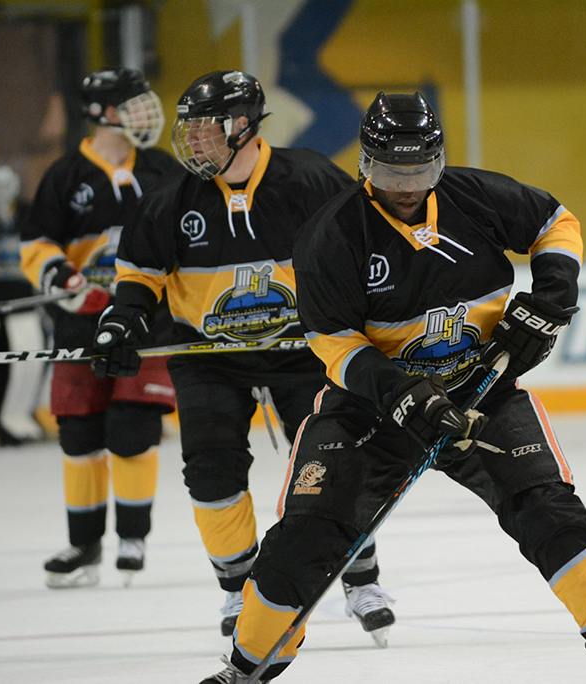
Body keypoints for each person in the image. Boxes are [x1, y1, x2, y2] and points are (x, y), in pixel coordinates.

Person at [197, 92, 586, 684]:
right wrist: (398, 391)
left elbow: (555, 222)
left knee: (544, 506)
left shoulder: (475, 196)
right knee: (309, 533)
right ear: (366, 164)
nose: (408, 185)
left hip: (481, 391)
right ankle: (247, 665)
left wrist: (551, 296)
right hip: (370, 408)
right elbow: (334, 344)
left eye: (421, 170)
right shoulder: (331, 235)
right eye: (393, 172)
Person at [91, 70, 396, 643]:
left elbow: (366, 250)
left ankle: (361, 577)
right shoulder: (171, 200)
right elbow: (139, 276)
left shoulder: (310, 179)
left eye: (204, 127)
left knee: (335, 461)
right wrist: (121, 321)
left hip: (304, 351)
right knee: (211, 473)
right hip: (208, 358)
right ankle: (238, 589)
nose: (192, 139)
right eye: (190, 128)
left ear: (243, 125)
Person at [19, 68, 179, 588]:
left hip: (147, 322)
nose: (144, 111)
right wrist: (61, 279)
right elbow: (36, 243)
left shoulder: (162, 169)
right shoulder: (65, 175)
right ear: (101, 113)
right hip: (80, 328)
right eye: (131, 103)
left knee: (134, 428)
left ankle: (133, 537)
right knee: (79, 434)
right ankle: (83, 543)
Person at [0, 164, 46, 446]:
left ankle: (17, 418)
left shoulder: (29, 213)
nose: (1, 193)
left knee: (30, 357)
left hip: (23, 301)